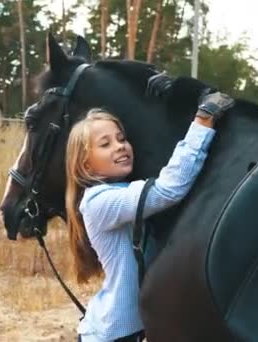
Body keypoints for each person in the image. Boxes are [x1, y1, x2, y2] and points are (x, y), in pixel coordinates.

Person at [64, 74, 235, 342]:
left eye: (121, 138)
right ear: (86, 166)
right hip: (112, 335)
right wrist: (203, 121)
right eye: (105, 144)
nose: (120, 146)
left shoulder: (123, 191)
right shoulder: (98, 202)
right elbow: (168, 188)